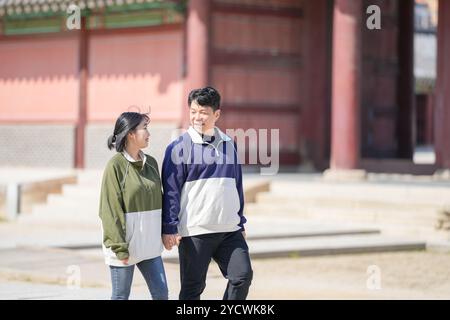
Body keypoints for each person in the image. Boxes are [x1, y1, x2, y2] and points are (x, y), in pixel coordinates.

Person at [161, 86, 253, 300]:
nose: (197, 117)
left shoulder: (230, 145)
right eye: (193, 111)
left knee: (242, 276)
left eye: (203, 112)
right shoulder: (178, 148)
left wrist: (240, 221)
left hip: (230, 230)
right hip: (195, 231)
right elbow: (171, 191)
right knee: (192, 290)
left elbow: (236, 184)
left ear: (217, 114)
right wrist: (169, 227)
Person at [99, 111, 169, 300]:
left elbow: (162, 202)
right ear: (131, 133)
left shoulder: (152, 163)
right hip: (125, 248)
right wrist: (120, 248)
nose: (148, 133)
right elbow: (109, 210)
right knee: (121, 296)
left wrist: (167, 231)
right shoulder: (115, 166)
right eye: (144, 128)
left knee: (162, 295)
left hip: (150, 247)